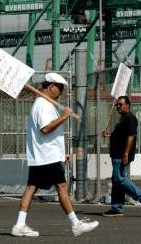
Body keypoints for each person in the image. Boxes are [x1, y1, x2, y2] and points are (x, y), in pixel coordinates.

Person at [11, 73, 99, 237]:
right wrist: (65, 116)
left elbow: (49, 132)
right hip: (46, 156)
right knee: (62, 187)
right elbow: (45, 129)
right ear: (51, 86)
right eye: (60, 88)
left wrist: (61, 152)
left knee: (31, 188)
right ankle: (75, 223)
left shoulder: (44, 103)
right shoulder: (43, 104)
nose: (61, 92)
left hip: (45, 155)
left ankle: (19, 224)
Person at [101, 96, 141, 217]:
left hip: (122, 154)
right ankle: (117, 208)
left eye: (121, 104)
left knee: (119, 178)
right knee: (116, 181)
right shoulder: (123, 118)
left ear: (128, 105)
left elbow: (131, 136)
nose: (118, 106)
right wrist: (110, 135)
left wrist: (126, 153)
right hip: (116, 154)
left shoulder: (130, 118)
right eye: (117, 105)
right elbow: (121, 135)